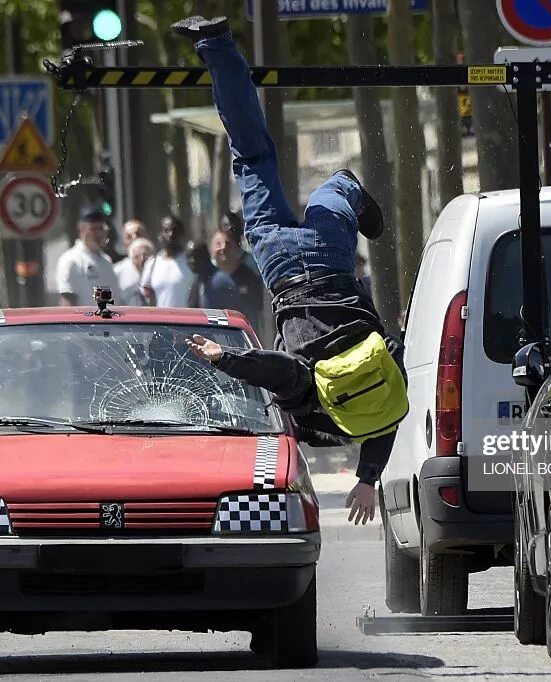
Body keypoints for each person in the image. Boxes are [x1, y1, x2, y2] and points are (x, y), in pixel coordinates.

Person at [173, 15, 404, 525]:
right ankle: (215, 42)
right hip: (279, 260)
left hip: (334, 255)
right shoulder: (313, 398)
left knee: (336, 189)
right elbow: (280, 369)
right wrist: (225, 359)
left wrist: (369, 477)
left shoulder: (384, 391)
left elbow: (387, 413)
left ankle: (349, 190)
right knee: (251, 152)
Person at [55, 207, 121, 306]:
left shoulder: (106, 261)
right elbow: (67, 302)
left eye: (101, 228)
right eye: (93, 229)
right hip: (85, 321)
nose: (98, 234)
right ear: (81, 230)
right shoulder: (72, 261)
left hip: (109, 319)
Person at [203, 228, 265, 328]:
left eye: (227, 243)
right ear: (211, 250)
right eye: (218, 244)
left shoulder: (249, 276)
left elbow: (259, 307)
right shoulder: (204, 277)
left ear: (236, 247)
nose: (223, 247)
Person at [141, 215, 196, 308]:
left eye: (175, 230)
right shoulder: (152, 263)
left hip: (187, 320)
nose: (171, 234)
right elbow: (147, 295)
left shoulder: (191, 261)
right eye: (166, 230)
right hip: (161, 320)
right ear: (160, 235)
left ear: (182, 234)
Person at [118, 237, 155, 306]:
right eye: (137, 256)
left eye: (145, 255)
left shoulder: (159, 277)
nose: (142, 259)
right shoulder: (119, 274)